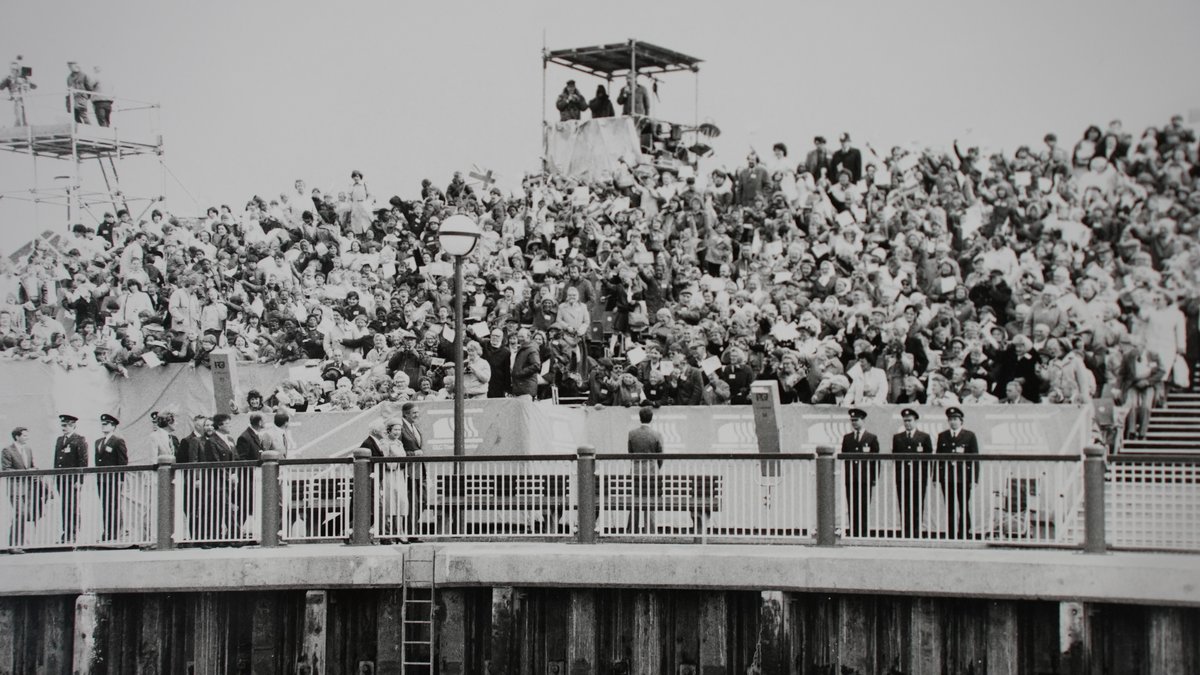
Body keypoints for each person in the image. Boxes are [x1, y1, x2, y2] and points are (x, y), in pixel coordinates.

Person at [935, 407, 979, 539]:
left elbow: (975, 458)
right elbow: (938, 457)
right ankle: (951, 532)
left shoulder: (969, 436)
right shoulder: (942, 436)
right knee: (949, 505)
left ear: (961, 421)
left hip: (963, 477)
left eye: (955, 419)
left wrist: (974, 478)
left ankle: (965, 532)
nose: (953, 422)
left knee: (963, 505)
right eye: (950, 419)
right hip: (947, 477)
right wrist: (936, 476)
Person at [891, 408, 933, 539]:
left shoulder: (924, 437)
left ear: (916, 421)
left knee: (917, 504)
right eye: (905, 421)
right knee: (904, 503)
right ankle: (905, 530)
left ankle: (916, 531)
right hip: (903, 476)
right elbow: (895, 457)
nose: (907, 423)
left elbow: (928, 458)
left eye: (909, 420)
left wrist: (926, 475)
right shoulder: (897, 437)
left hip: (918, 476)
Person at [3, 427, 45, 551]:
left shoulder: (28, 449)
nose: (27, 438)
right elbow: (6, 469)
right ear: (17, 437)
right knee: (19, 514)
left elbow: (32, 466)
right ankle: (14, 545)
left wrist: (35, 471)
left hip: (28, 489)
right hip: (15, 488)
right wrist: (27, 472)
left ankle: (19, 543)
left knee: (24, 515)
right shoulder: (7, 450)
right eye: (25, 435)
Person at [840, 407, 879, 537]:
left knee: (864, 505)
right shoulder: (847, 438)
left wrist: (874, 478)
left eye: (856, 420)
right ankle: (853, 531)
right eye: (852, 420)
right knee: (852, 504)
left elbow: (875, 460)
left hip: (865, 477)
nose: (854, 423)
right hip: (851, 478)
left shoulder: (871, 438)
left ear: (863, 420)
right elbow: (844, 458)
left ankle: (863, 531)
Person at [626, 406, 664, 533]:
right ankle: (650, 530)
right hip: (651, 471)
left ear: (639, 418)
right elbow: (661, 455)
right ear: (651, 418)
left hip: (636, 470)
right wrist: (657, 467)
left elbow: (630, 452)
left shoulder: (632, 434)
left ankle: (632, 529)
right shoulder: (656, 435)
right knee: (650, 501)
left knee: (635, 500)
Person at [53, 413, 88, 544]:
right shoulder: (59, 440)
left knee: (72, 506)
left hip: (72, 480)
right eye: (62, 425)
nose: (64, 428)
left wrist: (80, 480)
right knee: (64, 506)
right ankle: (65, 533)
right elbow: (56, 460)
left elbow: (83, 461)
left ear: (73, 425)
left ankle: (72, 533)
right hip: (61, 479)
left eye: (66, 425)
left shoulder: (79, 440)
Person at [93, 413, 128, 542]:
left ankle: (114, 532)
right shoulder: (98, 442)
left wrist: (121, 480)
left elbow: (123, 462)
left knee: (113, 506)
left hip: (113, 479)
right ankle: (107, 531)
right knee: (105, 506)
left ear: (113, 426)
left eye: (106, 424)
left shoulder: (118, 441)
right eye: (102, 424)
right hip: (101, 479)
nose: (103, 426)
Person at [380, 418, 411, 543]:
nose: (397, 432)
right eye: (395, 429)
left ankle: (401, 531)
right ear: (389, 430)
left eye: (399, 429)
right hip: (389, 476)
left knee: (402, 502)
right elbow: (385, 462)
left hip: (400, 475)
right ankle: (389, 533)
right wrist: (397, 464)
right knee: (391, 503)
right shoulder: (385, 443)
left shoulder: (399, 443)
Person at [0, 58, 36, 126]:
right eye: (13, 70)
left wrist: (27, 82)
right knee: (17, 118)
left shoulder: (23, 78)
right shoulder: (8, 78)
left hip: (25, 100)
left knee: (26, 118)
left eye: (16, 70)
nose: (14, 71)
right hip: (15, 100)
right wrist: (8, 97)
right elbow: (1, 87)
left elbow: (34, 86)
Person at [510, 327, 541, 399]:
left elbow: (536, 365)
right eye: (519, 337)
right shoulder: (524, 348)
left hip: (526, 388)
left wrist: (520, 372)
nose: (520, 339)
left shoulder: (531, 349)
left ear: (528, 337)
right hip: (521, 387)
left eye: (522, 337)